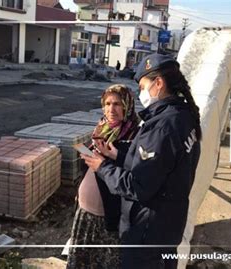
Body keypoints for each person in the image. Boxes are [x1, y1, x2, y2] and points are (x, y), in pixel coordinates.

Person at [81, 54, 202, 269]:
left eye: (143, 86)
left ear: (158, 83)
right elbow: (162, 163)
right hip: (168, 225)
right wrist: (117, 155)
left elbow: (138, 186)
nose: (141, 93)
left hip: (147, 231)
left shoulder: (162, 126)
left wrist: (102, 167)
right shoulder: (183, 116)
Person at [67, 84, 140, 269]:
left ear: (127, 105)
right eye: (107, 103)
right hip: (85, 214)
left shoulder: (136, 135)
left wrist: (116, 156)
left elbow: (137, 172)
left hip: (108, 218)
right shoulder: (101, 128)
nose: (111, 109)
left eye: (117, 103)